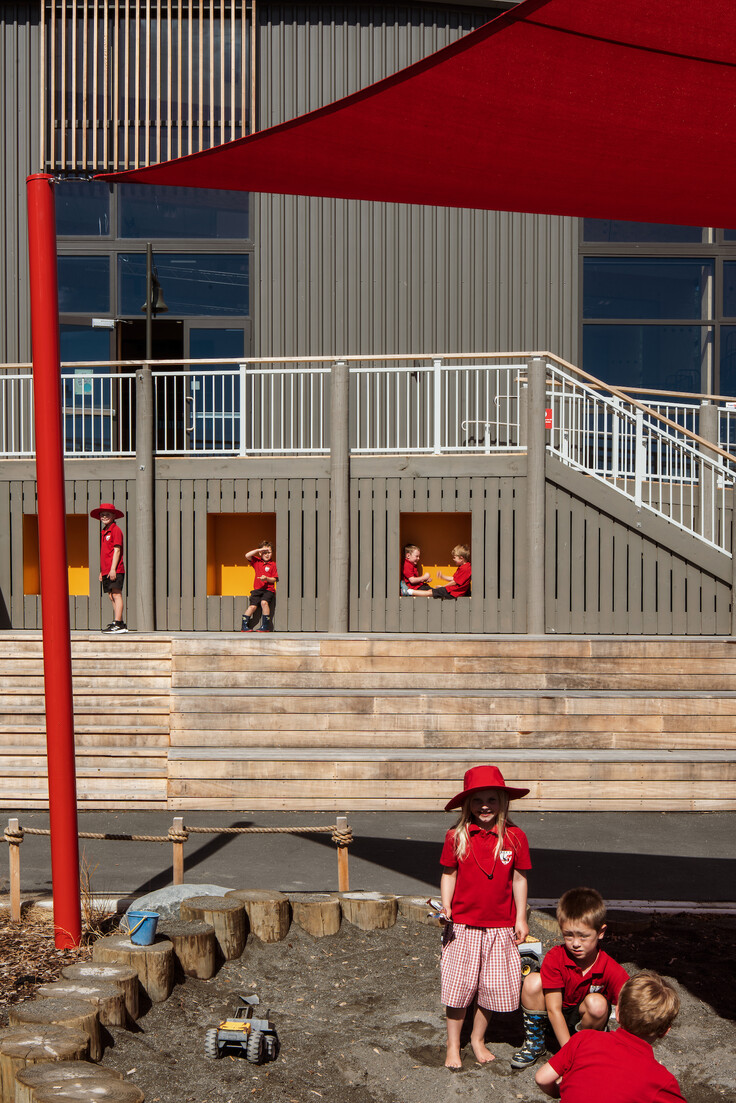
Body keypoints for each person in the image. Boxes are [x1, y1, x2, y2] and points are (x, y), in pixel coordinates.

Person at [438, 764, 531, 1069]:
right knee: (459, 988)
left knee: (490, 988)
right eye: (477, 800)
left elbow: (519, 879)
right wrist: (446, 905)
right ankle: (453, 1044)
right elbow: (448, 874)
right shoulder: (457, 835)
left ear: (503, 802)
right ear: (467, 804)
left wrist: (520, 918)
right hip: (463, 925)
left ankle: (477, 1038)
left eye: (491, 799)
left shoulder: (515, 837)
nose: (485, 806)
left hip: (500, 926)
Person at [511, 886, 629, 1069]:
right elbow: (553, 1010)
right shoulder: (555, 958)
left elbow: (631, 1003)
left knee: (598, 1004)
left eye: (583, 937)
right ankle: (536, 1041)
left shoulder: (610, 968)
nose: (575, 944)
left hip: (583, 1021)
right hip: (552, 1017)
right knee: (533, 981)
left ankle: (585, 1044)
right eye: (568, 936)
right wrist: (568, 1054)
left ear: (601, 932)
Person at [535, 971, 687, 1102]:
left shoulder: (584, 1038)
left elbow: (542, 1078)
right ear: (665, 1031)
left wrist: (559, 1091)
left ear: (618, 1013)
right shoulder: (661, 1081)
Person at [90, 503, 127, 633]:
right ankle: (119, 622)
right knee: (111, 595)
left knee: (117, 594)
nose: (104, 517)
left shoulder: (115, 530)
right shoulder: (105, 531)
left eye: (107, 514)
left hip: (115, 569)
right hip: (107, 570)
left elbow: (117, 550)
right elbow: (106, 553)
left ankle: (117, 623)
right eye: (102, 514)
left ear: (114, 516)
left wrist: (112, 569)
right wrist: (103, 571)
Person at [242, 541, 278, 632]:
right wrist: (259, 549)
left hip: (268, 590)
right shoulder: (257, 561)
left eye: (269, 552)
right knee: (252, 607)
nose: (267, 555)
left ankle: (265, 626)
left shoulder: (273, 564)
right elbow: (247, 555)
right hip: (257, 589)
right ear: (260, 553)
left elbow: (274, 579)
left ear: (272, 553)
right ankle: (244, 626)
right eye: (264, 552)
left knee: (264, 603)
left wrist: (266, 578)